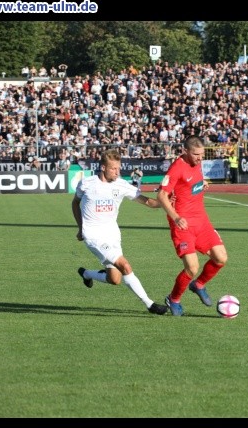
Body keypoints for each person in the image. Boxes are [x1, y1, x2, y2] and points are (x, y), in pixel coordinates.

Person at [72, 149, 168, 315]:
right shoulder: (87, 183)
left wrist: (166, 201)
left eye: (118, 168)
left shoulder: (121, 185)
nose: (117, 172)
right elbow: (75, 204)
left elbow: (149, 203)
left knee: (114, 279)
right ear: (103, 168)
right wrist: (81, 228)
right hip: (93, 236)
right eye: (113, 169)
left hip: (113, 235)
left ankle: (87, 274)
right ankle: (150, 304)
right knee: (125, 266)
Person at [156, 135, 228, 317]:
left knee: (221, 258)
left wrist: (201, 185)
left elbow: (189, 185)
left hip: (202, 221)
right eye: (196, 154)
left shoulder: (197, 163)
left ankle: (199, 284)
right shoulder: (176, 167)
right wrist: (175, 217)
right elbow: (161, 196)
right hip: (183, 224)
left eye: (202, 154)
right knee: (192, 268)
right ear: (185, 151)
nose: (200, 158)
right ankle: (174, 299)